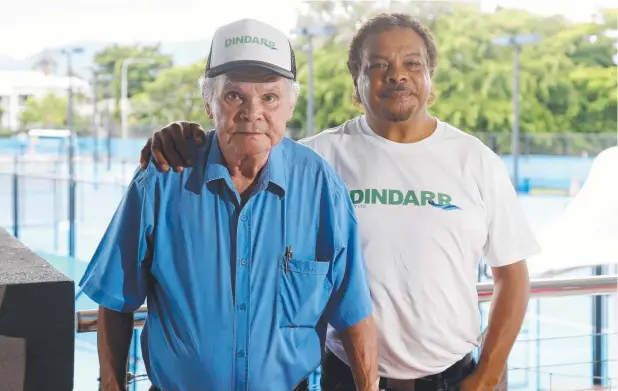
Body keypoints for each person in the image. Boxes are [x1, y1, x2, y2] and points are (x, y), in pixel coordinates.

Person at [138, 13, 541, 391]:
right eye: (378, 65)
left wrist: (486, 375)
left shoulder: (475, 161)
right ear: (356, 83)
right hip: (346, 374)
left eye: (413, 64)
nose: (397, 74)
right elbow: (240, 142)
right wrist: (173, 137)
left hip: (455, 374)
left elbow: (512, 275)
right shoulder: (315, 160)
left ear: (431, 79)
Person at [79, 18, 379, 391]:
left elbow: (353, 311)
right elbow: (116, 298)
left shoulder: (321, 186)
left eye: (269, 97)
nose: (252, 112)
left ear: (290, 107)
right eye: (234, 95)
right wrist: (112, 385)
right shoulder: (162, 179)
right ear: (209, 103)